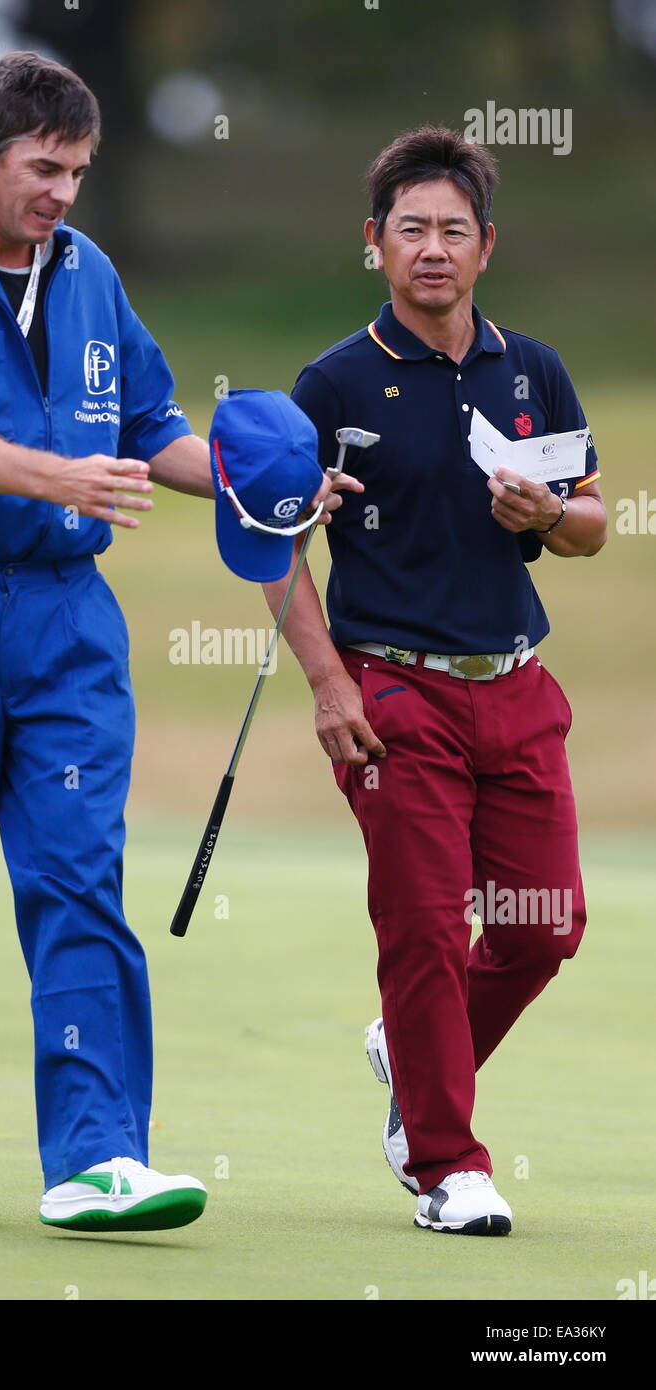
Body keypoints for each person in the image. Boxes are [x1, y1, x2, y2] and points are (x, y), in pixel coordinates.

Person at [0, 51, 339, 1234]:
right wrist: (57, 471)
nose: (61, 192)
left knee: (75, 876)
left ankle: (97, 1156)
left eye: (77, 171)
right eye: (42, 168)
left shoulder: (91, 272)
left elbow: (154, 424)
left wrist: (259, 488)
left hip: (66, 620)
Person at [263, 126, 606, 1236]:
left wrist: (547, 517)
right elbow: (272, 548)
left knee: (544, 922)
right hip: (393, 692)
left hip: (515, 686)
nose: (430, 249)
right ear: (373, 243)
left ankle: (413, 1047)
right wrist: (326, 685)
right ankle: (443, 1165)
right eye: (408, 228)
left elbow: (591, 521)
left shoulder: (530, 368)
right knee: (418, 929)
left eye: (452, 230)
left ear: (485, 245)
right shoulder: (333, 381)